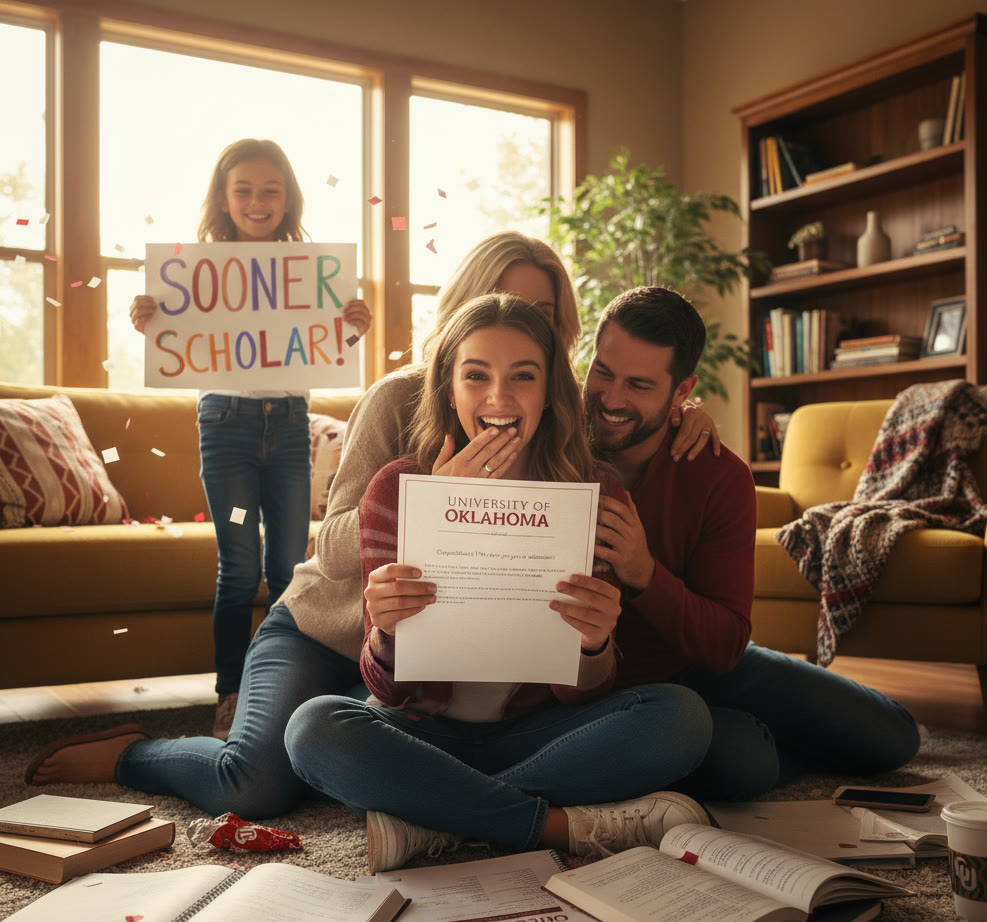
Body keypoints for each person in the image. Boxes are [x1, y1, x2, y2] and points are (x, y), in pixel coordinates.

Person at [25, 235, 714, 824]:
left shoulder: (577, 462)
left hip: (473, 692)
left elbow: (640, 408)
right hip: (333, 630)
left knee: (680, 719)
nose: (503, 380)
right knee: (265, 774)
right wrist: (438, 510)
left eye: (542, 318)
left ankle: (429, 803)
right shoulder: (400, 415)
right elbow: (340, 556)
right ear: (457, 345)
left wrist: (690, 411)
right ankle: (136, 752)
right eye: (479, 366)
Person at [283, 293, 712, 873]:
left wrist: (593, 644)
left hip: (541, 733)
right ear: (449, 386)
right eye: (476, 375)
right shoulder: (397, 488)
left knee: (681, 717)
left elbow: (591, 690)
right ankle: (548, 824)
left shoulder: (597, 492)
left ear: (550, 388)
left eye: (523, 377)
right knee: (313, 729)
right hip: (422, 729)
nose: (499, 399)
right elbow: (385, 689)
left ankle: (432, 816)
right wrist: (384, 632)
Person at [584, 287, 921, 800]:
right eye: (603, 372)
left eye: (639, 385)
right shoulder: (552, 446)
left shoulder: (719, 475)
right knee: (743, 765)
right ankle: (752, 740)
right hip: (599, 690)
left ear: (682, 392)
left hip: (694, 659)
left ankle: (758, 731)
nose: (611, 399)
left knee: (894, 737)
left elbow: (724, 645)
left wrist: (645, 575)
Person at [128, 139, 373, 739]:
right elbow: (177, 338)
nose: (257, 201)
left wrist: (352, 330)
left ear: (288, 199)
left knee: (290, 568)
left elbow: (320, 350)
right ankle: (232, 694)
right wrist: (149, 317)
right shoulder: (193, 270)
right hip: (227, 432)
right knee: (238, 568)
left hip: (288, 430)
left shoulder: (312, 271)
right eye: (243, 189)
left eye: (271, 189)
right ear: (222, 196)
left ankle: (282, 689)